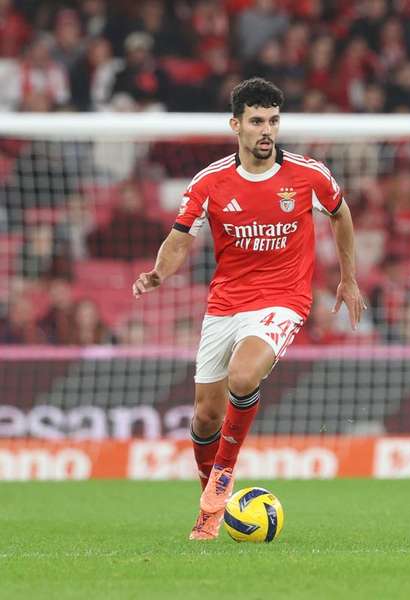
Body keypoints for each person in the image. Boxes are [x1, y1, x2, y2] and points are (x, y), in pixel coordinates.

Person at [132, 77, 366, 540]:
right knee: (204, 417)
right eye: (257, 121)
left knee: (243, 376)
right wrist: (159, 273)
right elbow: (181, 238)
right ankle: (211, 508)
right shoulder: (210, 183)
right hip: (226, 302)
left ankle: (223, 476)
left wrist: (348, 277)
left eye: (274, 121)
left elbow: (340, 213)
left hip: (284, 298)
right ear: (235, 124)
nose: (267, 131)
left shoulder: (308, 174)